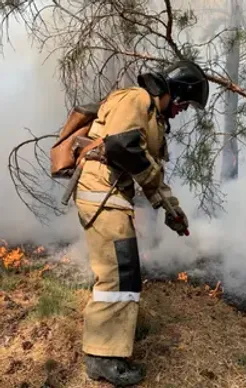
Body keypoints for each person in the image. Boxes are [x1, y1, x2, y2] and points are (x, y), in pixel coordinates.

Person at [74, 60, 208, 385]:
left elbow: (150, 171)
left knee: (125, 274)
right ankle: (102, 358)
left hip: (111, 196)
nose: (182, 111)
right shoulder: (137, 98)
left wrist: (173, 211)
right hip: (102, 194)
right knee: (117, 276)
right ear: (176, 91)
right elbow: (122, 146)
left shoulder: (151, 114)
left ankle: (109, 350)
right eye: (184, 104)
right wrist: (155, 188)